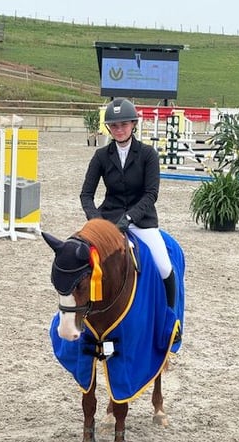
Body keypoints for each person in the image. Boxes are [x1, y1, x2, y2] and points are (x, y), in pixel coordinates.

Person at [79, 98, 177, 311]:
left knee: (163, 266)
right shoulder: (101, 156)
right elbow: (86, 194)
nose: (119, 129)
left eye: (123, 124)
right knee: (77, 261)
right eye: (114, 125)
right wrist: (97, 221)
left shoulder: (147, 154)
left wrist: (130, 218)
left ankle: (171, 320)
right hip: (109, 220)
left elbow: (151, 194)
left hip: (142, 220)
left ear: (133, 124)